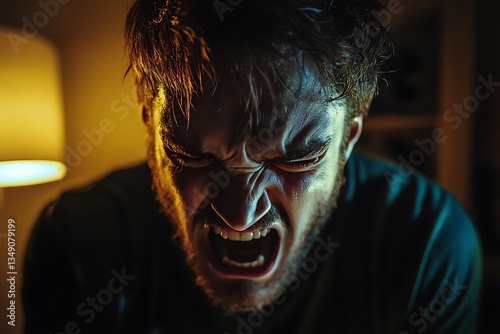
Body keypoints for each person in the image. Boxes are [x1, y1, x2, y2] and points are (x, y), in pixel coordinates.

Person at [22, 0, 482, 333]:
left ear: (348, 141)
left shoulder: (425, 245)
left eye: (296, 158)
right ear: (151, 132)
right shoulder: (77, 243)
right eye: (192, 155)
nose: (240, 215)